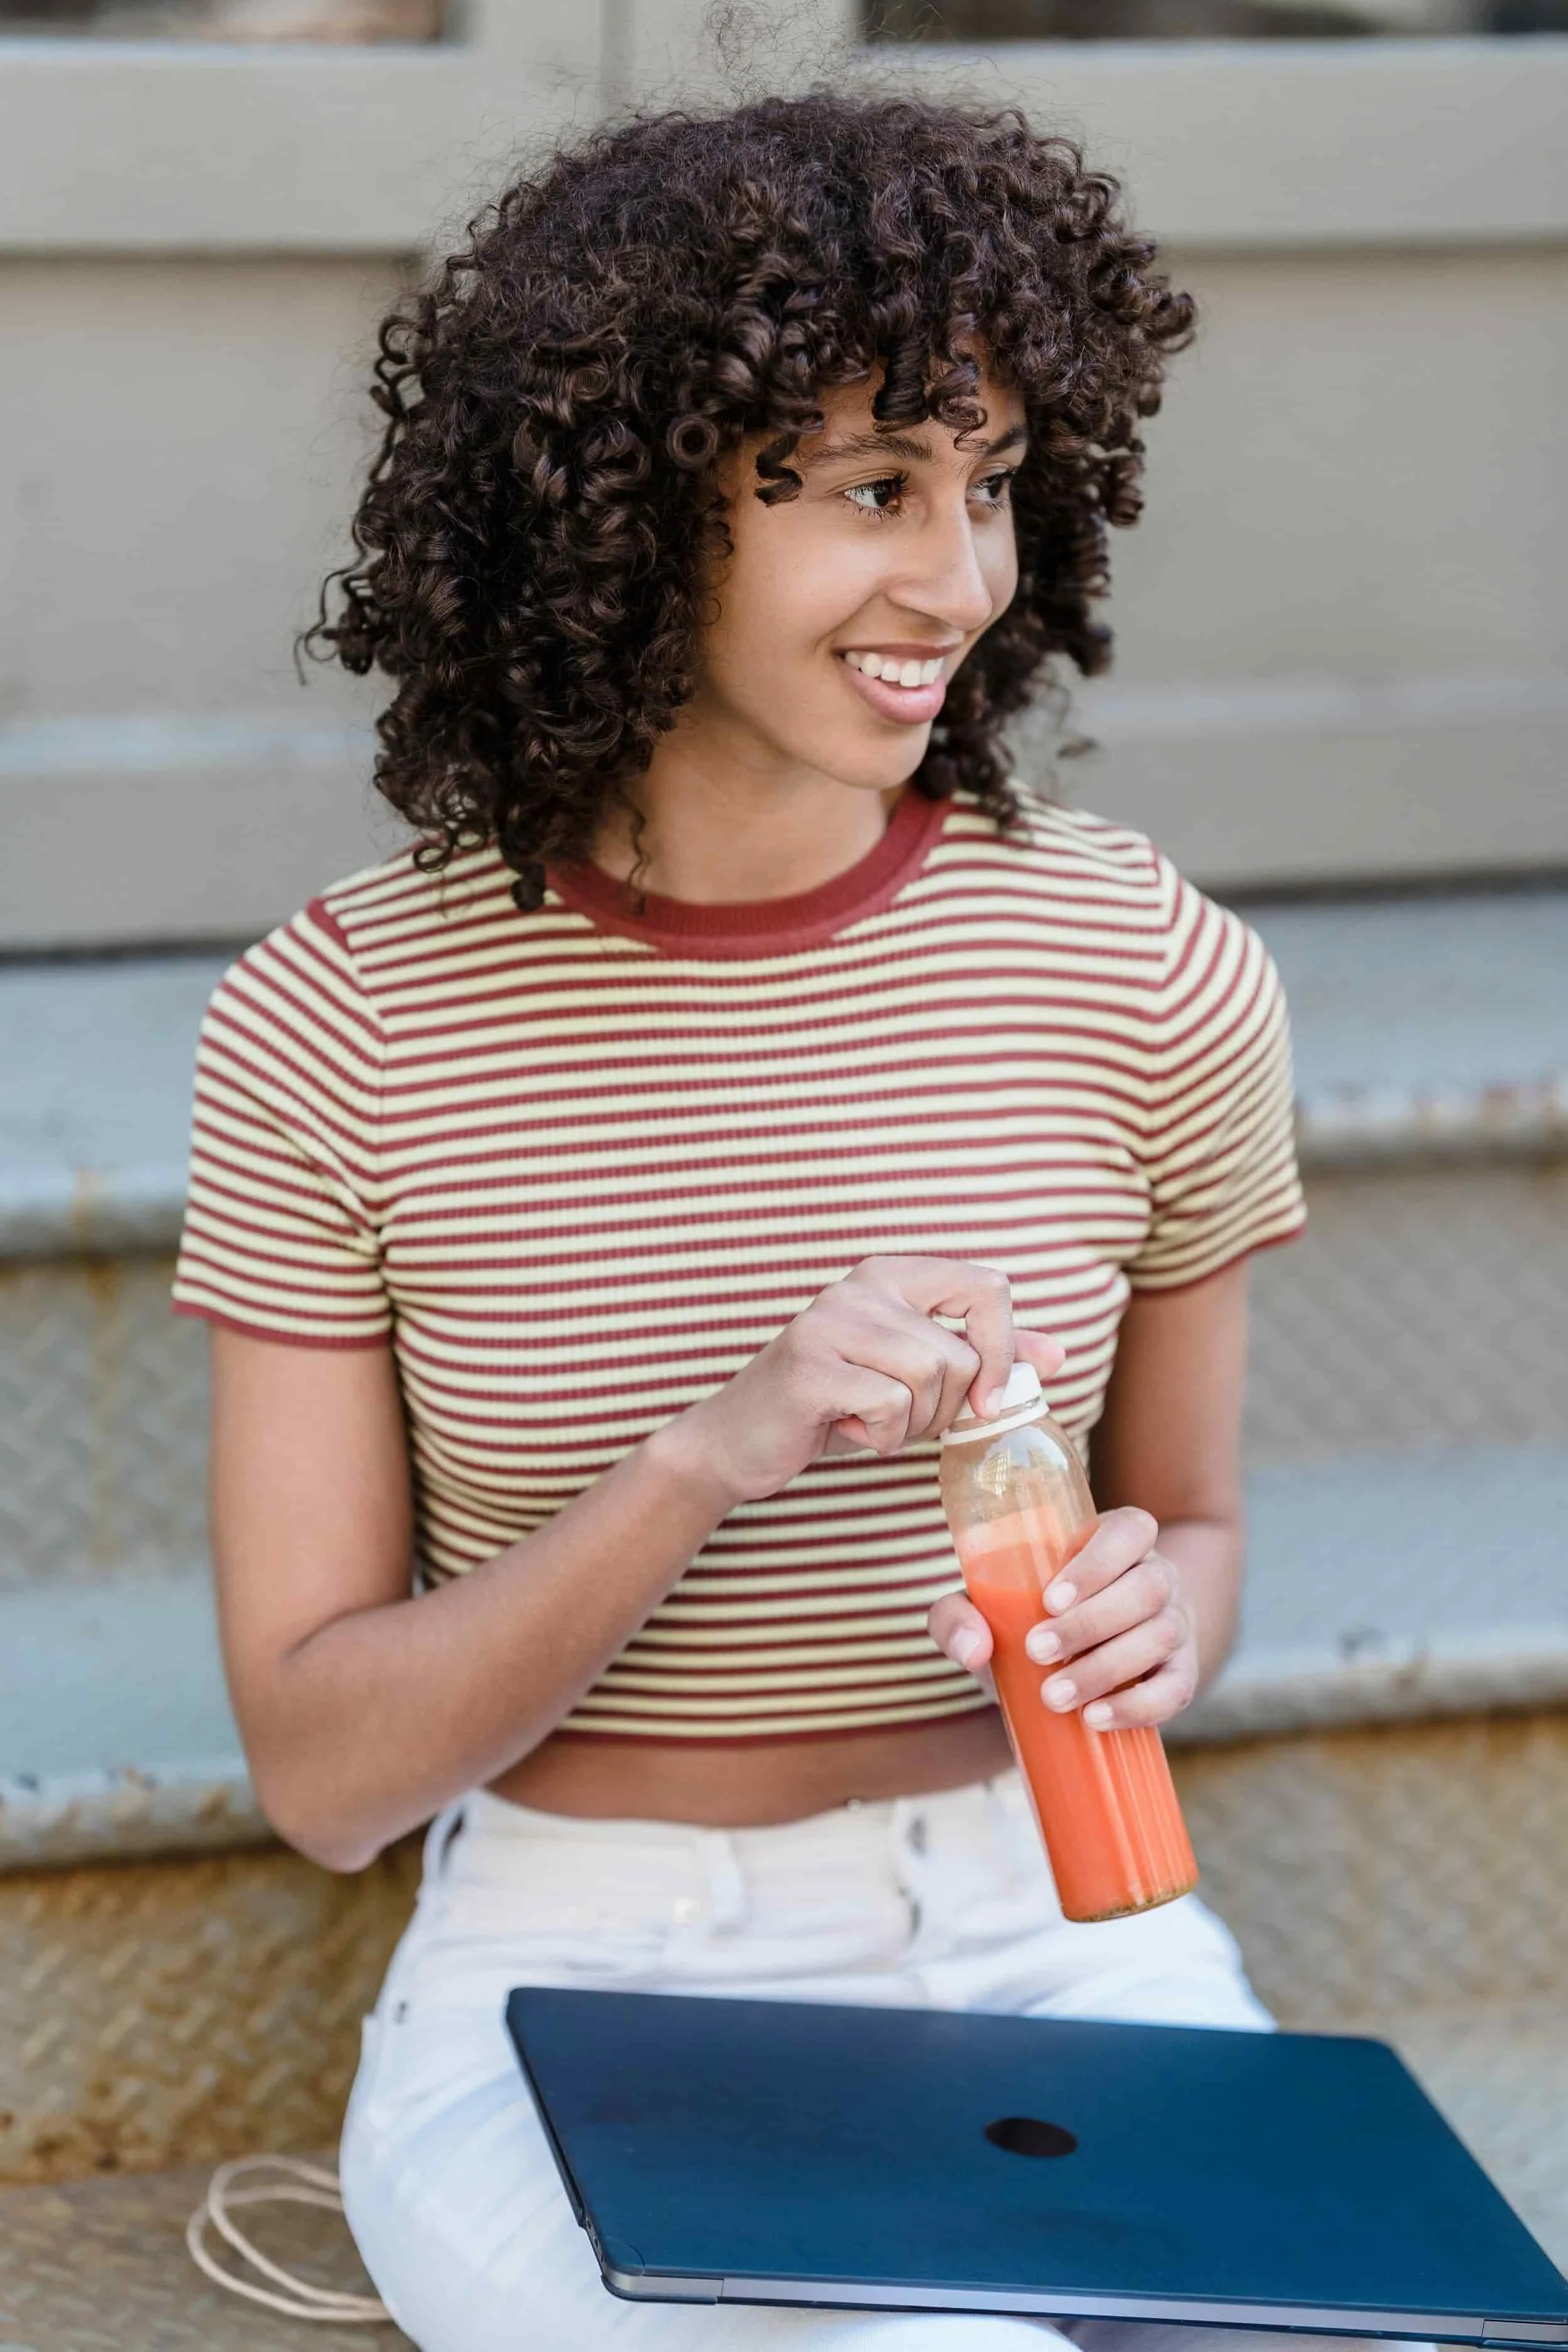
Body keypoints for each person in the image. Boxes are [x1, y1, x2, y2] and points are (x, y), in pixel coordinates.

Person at [172, 90, 1330, 2352]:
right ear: (623, 511)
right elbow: (322, 1776)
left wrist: (1148, 1619)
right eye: (872, 491)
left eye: (992, 489)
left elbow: (1187, 1522)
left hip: (1056, 1928)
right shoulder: (347, 1019)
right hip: (589, 1974)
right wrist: (707, 1454)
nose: (960, 579)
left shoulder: (1139, 964)